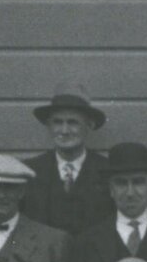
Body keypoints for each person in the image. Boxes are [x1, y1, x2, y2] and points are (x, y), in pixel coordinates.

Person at [20, 83, 111, 238]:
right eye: (57, 122)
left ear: (89, 125)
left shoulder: (107, 170)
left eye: (73, 122)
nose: (64, 131)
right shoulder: (30, 171)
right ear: (48, 126)